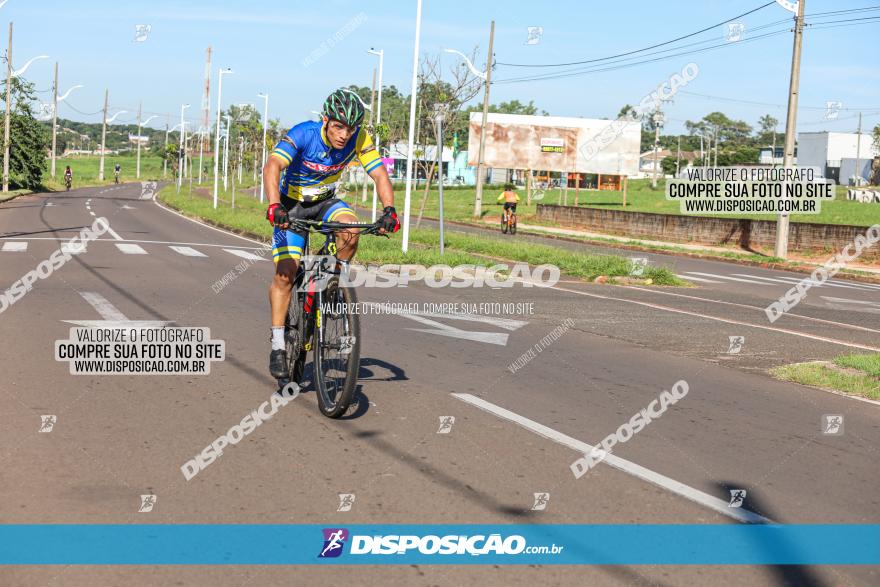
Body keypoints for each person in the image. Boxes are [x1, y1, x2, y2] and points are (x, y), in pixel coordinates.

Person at [263, 88, 400, 378]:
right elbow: (273, 165)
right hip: (292, 205)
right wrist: (275, 206)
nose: (344, 135)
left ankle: (335, 281)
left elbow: (379, 174)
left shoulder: (359, 139)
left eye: (350, 129)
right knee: (286, 273)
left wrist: (389, 210)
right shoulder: (304, 134)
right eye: (338, 127)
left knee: (351, 230)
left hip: (326, 202)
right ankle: (277, 345)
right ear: (326, 120)